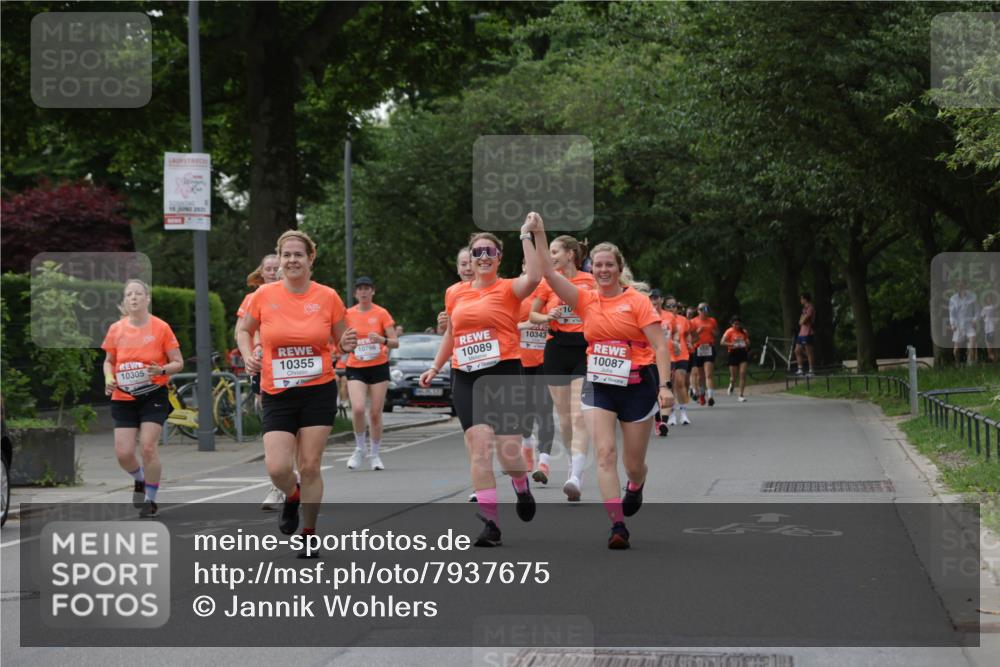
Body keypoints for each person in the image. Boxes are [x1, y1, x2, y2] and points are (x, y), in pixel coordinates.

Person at [420, 214, 548, 547]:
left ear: (499, 257)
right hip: (466, 376)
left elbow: (536, 275)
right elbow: (452, 333)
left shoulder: (509, 288)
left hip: (503, 372)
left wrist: (528, 234)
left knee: (509, 454)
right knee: (479, 450)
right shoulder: (455, 293)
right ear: (471, 259)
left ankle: (521, 485)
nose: (483, 257)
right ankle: (491, 524)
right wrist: (435, 367)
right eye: (477, 252)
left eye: (490, 251)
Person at [540, 241, 671, 549]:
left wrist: (665, 386)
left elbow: (660, 346)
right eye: (597, 265)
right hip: (599, 385)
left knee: (633, 463)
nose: (603, 270)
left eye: (609, 264)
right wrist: (536, 232)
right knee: (605, 454)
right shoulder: (585, 299)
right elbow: (548, 272)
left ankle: (636, 484)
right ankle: (617, 525)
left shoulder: (637, 301)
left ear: (619, 268)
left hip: (637, 385)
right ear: (591, 268)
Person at [238, 230, 355, 557]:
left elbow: (343, 339)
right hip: (277, 391)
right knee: (277, 468)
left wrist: (348, 343)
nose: (292, 260)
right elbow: (244, 330)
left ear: (310, 259)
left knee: (309, 465)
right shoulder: (263, 295)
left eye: (298, 255)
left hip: (317, 390)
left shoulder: (328, 296)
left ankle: (309, 533)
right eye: (286, 255)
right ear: (279, 258)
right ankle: (292, 496)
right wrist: (248, 355)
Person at [102, 279, 184, 518]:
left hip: (153, 394)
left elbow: (178, 362)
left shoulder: (161, 328)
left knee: (148, 446)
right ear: (124, 301)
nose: (134, 298)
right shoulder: (116, 329)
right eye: (129, 295)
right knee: (124, 453)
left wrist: (162, 370)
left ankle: (150, 498)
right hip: (123, 396)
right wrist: (109, 378)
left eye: (138, 294)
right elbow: (109, 361)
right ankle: (139, 479)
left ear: (147, 299)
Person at [530, 235, 596, 502]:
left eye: (555, 251)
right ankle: (572, 460)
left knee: (579, 415)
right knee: (565, 419)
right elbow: (532, 315)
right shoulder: (547, 282)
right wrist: (547, 316)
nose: (551, 256)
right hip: (556, 349)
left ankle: (576, 475)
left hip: (584, 348)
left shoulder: (590, 281)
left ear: (571, 254)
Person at [235, 254, 287, 511]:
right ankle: (278, 484)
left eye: (277, 268)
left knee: (297, 428)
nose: (273, 272)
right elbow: (240, 331)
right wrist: (250, 355)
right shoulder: (252, 298)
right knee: (273, 423)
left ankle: (295, 478)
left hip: (292, 365)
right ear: (262, 272)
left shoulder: (297, 295)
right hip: (264, 366)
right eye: (268, 268)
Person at [344, 276, 398, 471]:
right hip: (355, 366)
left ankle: (375, 454)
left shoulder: (381, 313)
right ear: (355, 293)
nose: (364, 292)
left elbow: (395, 342)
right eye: (360, 289)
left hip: (378, 367)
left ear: (373, 291)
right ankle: (360, 448)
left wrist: (382, 340)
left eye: (367, 288)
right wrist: (346, 344)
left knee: (375, 413)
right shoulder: (347, 314)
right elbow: (339, 339)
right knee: (358, 408)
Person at [516, 259, 555, 483]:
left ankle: (544, 462)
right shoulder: (516, 293)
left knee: (544, 410)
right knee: (525, 410)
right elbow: (504, 324)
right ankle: (527, 446)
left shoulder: (553, 291)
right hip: (520, 360)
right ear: (524, 267)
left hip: (546, 361)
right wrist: (525, 324)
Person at [663, 297, 692, 425]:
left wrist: (689, 342)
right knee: (670, 384)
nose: (671, 308)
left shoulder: (683, 320)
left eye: (674, 306)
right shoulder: (661, 318)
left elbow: (687, 334)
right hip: (668, 355)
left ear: (677, 307)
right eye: (668, 306)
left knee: (680, 382)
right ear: (664, 307)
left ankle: (684, 413)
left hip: (682, 354)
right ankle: (671, 414)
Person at [648, 289, 670, 437]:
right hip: (648, 358)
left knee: (665, 387)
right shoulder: (644, 313)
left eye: (656, 298)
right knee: (653, 391)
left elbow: (676, 333)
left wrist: (676, 341)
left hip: (666, 358)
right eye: (651, 298)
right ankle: (658, 419)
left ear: (661, 300)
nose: (654, 301)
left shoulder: (670, 317)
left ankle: (662, 421)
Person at [691, 303, 720, 406]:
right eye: (702, 309)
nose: (704, 311)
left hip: (709, 347)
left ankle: (711, 397)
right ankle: (702, 395)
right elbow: (690, 338)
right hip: (698, 348)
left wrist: (713, 332)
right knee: (700, 376)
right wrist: (698, 332)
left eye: (706, 309)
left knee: (709, 374)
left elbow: (717, 333)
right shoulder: (693, 322)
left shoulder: (712, 321)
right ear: (698, 310)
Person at [721, 315, 751, 402]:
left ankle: (741, 395)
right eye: (735, 324)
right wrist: (732, 344)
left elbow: (748, 342)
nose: (737, 326)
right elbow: (722, 342)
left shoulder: (744, 332)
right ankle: (732, 384)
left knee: (742, 373)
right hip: (733, 353)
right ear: (732, 324)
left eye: (738, 324)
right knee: (734, 377)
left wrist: (746, 343)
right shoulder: (729, 331)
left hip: (742, 353)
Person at [949, 282, 979, 366]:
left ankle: (971, 365)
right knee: (956, 349)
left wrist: (975, 320)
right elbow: (951, 314)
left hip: (969, 324)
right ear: (956, 287)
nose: (960, 287)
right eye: (958, 286)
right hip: (958, 325)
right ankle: (957, 363)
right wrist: (952, 324)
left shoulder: (973, 297)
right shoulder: (953, 299)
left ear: (965, 286)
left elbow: (977, 310)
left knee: (972, 345)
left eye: (962, 286)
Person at [794, 292, 816, 375]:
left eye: (801, 299)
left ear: (805, 299)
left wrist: (802, 319)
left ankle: (811, 371)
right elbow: (800, 322)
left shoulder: (810, 308)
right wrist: (802, 319)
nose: (800, 300)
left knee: (809, 352)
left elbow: (803, 320)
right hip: (801, 333)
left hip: (808, 332)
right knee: (797, 351)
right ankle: (800, 370)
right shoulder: (804, 309)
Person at [980, 292, 997, 362]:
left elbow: (983, 316)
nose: (989, 300)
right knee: (988, 345)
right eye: (988, 299)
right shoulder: (985, 308)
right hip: (987, 329)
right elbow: (982, 316)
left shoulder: (992, 307)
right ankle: (991, 358)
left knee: (990, 344)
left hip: (991, 329)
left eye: (990, 298)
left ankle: (993, 358)